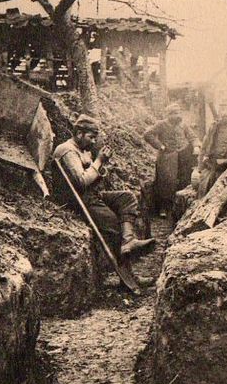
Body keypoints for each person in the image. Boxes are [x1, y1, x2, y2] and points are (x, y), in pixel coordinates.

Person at [53, 115, 155, 284]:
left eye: (95, 137)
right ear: (79, 133)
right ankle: (127, 277)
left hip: (90, 195)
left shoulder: (83, 150)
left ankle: (128, 241)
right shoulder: (67, 150)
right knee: (113, 222)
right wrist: (98, 161)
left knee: (127, 198)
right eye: (91, 137)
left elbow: (93, 178)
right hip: (76, 200)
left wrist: (101, 165)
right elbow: (82, 181)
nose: (93, 141)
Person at [144, 103, 200, 217]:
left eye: (178, 113)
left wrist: (196, 146)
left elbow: (193, 137)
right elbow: (148, 134)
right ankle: (163, 208)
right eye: (174, 113)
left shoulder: (183, 125)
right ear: (168, 114)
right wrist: (160, 146)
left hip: (183, 156)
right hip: (167, 157)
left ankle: (179, 207)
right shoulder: (161, 124)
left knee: (184, 179)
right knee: (165, 181)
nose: (177, 115)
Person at [196, 99, 227, 199]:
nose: (224, 113)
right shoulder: (214, 126)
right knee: (203, 194)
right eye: (222, 110)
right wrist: (200, 168)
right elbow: (204, 147)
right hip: (210, 168)